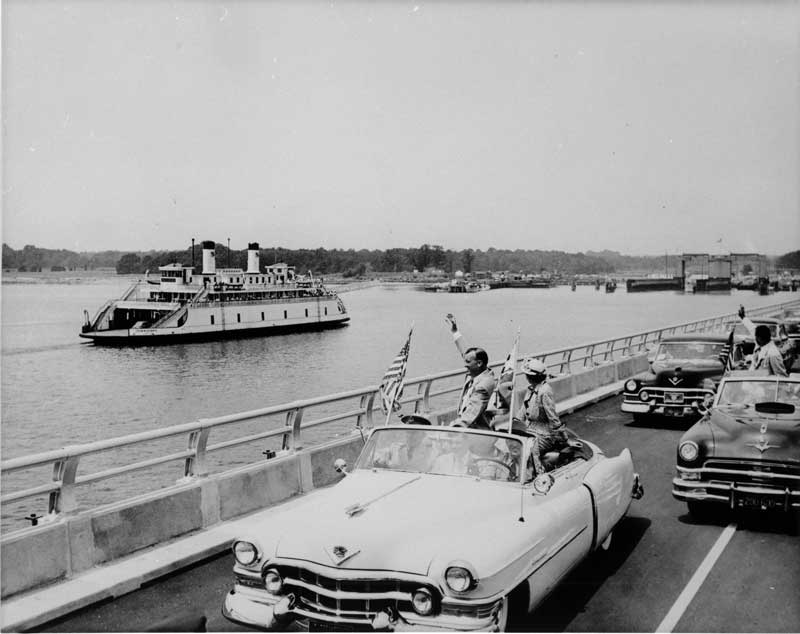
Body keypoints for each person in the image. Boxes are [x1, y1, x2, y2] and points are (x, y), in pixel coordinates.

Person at [513, 357, 566, 472]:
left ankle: (538, 474)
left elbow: (553, 417)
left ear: (531, 376)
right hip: (529, 430)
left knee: (530, 451)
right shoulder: (531, 390)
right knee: (513, 445)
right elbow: (522, 411)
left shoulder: (545, 391)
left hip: (544, 434)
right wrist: (513, 425)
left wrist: (562, 437)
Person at [445, 314, 497, 429]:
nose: (465, 365)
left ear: (479, 363)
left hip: (477, 434)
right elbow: (466, 353)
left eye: (468, 362)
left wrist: (452, 428)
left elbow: (470, 414)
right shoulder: (478, 373)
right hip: (468, 429)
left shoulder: (484, 385)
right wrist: (455, 332)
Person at [737, 306, 788, 376]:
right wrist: (743, 317)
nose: (755, 338)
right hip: (752, 382)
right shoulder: (761, 343)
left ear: (760, 338)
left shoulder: (773, 354)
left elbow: (781, 375)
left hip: (764, 385)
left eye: (756, 337)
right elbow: (752, 328)